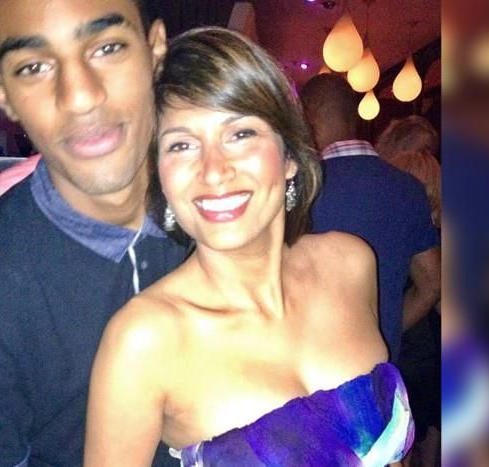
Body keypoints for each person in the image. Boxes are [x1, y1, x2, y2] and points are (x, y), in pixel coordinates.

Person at [84, 27, 414, 467]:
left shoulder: (351, 262)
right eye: (181, 144)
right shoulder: (145, 339)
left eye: (240, 134)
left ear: (290, 156)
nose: (213, 170)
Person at [0, 1, 187, 466]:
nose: (80, 96)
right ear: (3, 93)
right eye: (33, 67)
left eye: (107, 48)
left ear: (154, 50)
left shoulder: (224, 211)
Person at [299, 74, 441, 363]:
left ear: (308, 117)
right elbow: (432, 284)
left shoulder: (301, 190)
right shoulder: (408, 188)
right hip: (380, 371)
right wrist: (384, 332)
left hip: (312, 367)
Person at [376, 116, 442, 467]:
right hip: (415, 345)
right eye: (422, 148)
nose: (427, 155)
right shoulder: (407, 200)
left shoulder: (384, 198)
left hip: (409, 345)